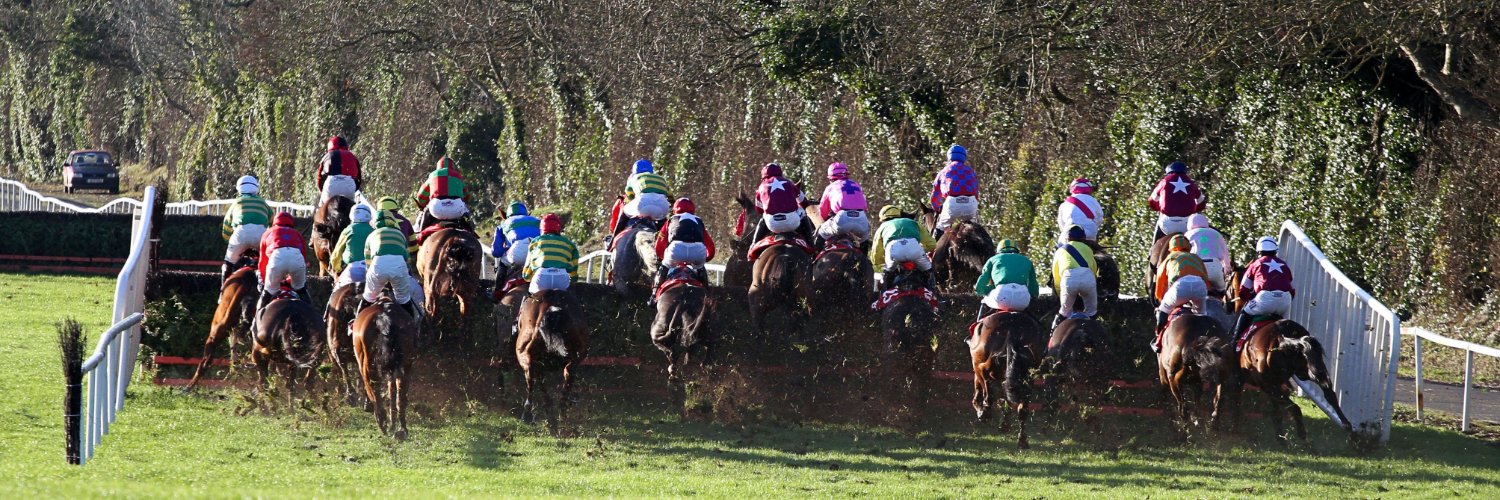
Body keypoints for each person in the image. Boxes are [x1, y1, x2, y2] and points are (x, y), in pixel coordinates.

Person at [1233, 236, 1296, 349]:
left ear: (1259, 252)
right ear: (1275, 251)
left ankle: (1235, 343)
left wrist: (1249, 298)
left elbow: (1243, 291)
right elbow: (1292, 290)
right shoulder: (1284, 265)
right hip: (1285, 300)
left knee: (1244, 313)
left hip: (1265, 299)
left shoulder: (1255, 264)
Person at [1151, 234, 1210, 352]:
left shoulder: (1169, 258)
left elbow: (1160, 283)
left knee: (1164, 308)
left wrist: (1161, 298)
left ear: (1171, 247)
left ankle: (1158, 341)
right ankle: (1207, 339)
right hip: (1200, 286)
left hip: (1180, 288)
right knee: (1202, 315)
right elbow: (1205, 279)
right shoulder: (1196, 257)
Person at [652, 198, 716, 302]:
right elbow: (710, 245)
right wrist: (706, 258)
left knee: (664, 266)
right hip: (698, 251)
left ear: (674, 210)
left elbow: (660, 241)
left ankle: (654, 296)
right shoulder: (698, 220)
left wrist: (661, 257)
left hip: (676, 250)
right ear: (693, 210)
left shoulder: (671, 220)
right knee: (700, 268)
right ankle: (707, 296)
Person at [360, 211, 421, 318]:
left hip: (377, 267)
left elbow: (368, 262)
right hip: (399, 267)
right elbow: (407, 258)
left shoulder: (371, 235)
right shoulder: (400, 234)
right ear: (392, 222)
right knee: (404, 300)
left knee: (368, 298)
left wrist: (370, 276)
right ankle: (412, 324)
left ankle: (355, 323)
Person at [870, 205, 938, 290]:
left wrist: (878, 262)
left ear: (883, 218)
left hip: (893, 252)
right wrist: (921, 251)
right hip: (915, 251)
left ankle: (883, 297)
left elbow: (876, 251)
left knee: (886, 276)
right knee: (929, 272)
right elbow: (932, 244)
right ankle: (934, 295)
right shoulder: (913, 222)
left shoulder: (882, 227)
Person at [255, 212, 310, 315]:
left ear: (275, 222)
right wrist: (292, 281)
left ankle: (256, 322)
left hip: (276, 259)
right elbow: (304, 260)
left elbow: (262, 262)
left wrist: (263, 281)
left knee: (267, 292)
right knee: (301, 290)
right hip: (297, 259)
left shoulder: (268, 233)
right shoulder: (297, 233)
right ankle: (313, 317)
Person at [220, 175, 273, 282]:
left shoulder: (236, 203)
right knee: (272, 263)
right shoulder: (263, 203)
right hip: (261, 236)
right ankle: (272, 291)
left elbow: (226, 226)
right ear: (256, 188)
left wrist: (229, 241)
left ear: (239, 188)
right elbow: (273, 223)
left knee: (228, 263)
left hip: (240, 235)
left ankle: (222, 292)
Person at [974, 239, 1039, 321]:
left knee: (984, 300)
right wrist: (1033, 296)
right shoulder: (1027, 261)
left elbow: (980, 287)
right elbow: (1033, 288)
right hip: (1022, 298)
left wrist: (988, 289)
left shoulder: (993, 259)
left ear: (999, 250)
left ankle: (978, 326)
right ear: (1016, 249)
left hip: (1001, 296)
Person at [748, 163, 814, 244]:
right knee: (803, 214)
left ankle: (753, 246)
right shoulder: (789, 183)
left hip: (772, 225)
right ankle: (811, 244)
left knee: (763, 219)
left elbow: (759, 210)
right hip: (792, 222)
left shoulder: (761, 187)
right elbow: (804, 202)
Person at [608, 159, 672, 241]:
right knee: (664, 222)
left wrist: (631, 200)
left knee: (625, 210)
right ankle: (667, 240)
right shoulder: (661, 179)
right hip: (662, 208)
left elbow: (629, 194)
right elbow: (671, 198)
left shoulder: (634, 178)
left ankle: (614, 238)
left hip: (642, 205)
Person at [929, 144, 979, 240]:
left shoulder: (943, 172)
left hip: (952, 204)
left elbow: (935, 196)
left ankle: (932, 252)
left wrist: (937, 208)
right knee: (976, 229)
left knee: (940, 227)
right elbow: (976, 194)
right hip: (971, 203)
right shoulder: (971, 171)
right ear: (964, 157)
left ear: (949, 157)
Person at [1052, 225, 1098, 329]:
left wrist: (1060, 292)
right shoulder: (1088, 249)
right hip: (1088, 279)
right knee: (1092, 313)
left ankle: (1052, 336)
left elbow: (1056, 276)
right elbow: (1094, 270)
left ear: (1067, 238)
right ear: (1083, 238)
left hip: (1069, 280)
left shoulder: (1060, 251)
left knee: (1063, 312)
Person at [413, 157, 472, 235]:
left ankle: (419, 232)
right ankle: (472, 232)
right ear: (453, 167)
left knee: (425, 213)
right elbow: (467, 196)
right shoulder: (458, 176)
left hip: (437, 208)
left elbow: (421, 196)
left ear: (438, 166)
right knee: (468, 217)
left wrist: (423, 204)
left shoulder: (433, 174)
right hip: (457, 208)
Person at [815, 162, 870, 247]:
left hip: (842, 219)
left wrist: (824, 220)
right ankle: (865, 259)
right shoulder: (856, 184)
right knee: (864, 238)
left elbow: (823, 210)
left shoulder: (830, 187)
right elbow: (865, 207)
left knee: (822, 232)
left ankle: (814, 258)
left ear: (831, 177)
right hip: (861, 218)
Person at [1148, 161, 1206, 239]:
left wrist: (1158, 208)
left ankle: (1152, 250)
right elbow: (1201, 202)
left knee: (1158, 228)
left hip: (1167, 224)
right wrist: (1194, 210)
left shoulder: (1164, 181)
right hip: (1187, 224)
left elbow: (1152, 201)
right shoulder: (1191, 183)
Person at [524, 214, 580, 294]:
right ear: (559, 229)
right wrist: (573, 278)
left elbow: (526, 273)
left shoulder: (535, 242)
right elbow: (574, 270)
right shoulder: (569, 244)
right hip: (562, 277)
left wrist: (527, 277)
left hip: (541, 276)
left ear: (542, 229)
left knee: (530, 297)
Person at [330, 203, 375, 290]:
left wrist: (337, 268)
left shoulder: (348, 230)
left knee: (335, 293)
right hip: (372, 271)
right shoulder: (373, 231)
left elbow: (336, 255)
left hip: (353, 270)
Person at [1184, 213, 1231, 296]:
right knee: (1223, 293)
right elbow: (1225, 254)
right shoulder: (1217, 233)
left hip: (1196, 268)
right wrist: (1227, 270)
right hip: (1215, 268)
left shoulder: (1187, 235)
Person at [492, 201, 541, 280]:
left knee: (502, 262)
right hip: (538, 253)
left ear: (508, 215)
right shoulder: (537, 221)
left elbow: (495, 252)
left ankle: (497, 289)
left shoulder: (503, 224)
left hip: (517, 254)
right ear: (526, 213)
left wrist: (508, 249)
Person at [1056, 177, 1104, 245]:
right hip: (1089, 234)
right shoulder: (1093, 201)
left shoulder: (1065, 203)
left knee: (1060, 250)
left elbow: (1061, 223)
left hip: (1069, 234)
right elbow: (1099, 218)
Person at [316, 135, 361, 206]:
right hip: (348, 185)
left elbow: (319, 178)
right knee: (352, 208)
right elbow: (359, 178)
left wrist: (322, 191)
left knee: (321, 207)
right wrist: (354, 189)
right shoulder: (352, 156)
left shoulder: (327, 156)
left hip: (331, 185)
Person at [376, 196, 420, 261]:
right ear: (396, 209)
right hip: (403, 259)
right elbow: (414, 247)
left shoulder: (376, 222)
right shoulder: (406, 221)